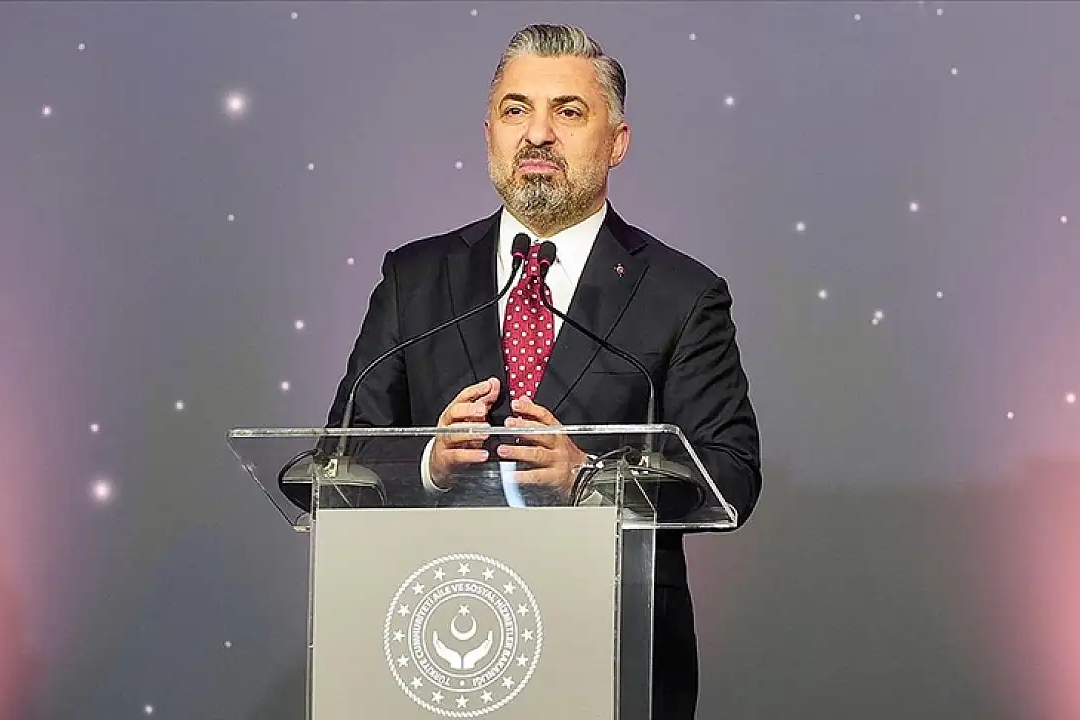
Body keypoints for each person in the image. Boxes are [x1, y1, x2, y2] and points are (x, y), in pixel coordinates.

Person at [325, 23, 762, 719]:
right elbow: (339, 460)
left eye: (568, 111)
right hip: (431, 650)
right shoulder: (415, 278)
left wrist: (592, 477)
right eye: (516, 110)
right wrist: (431, 461)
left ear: (616, 142)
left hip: (611, 653)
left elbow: (730, 473)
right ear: (489, 134)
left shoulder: (682, 295)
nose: (537, 134)